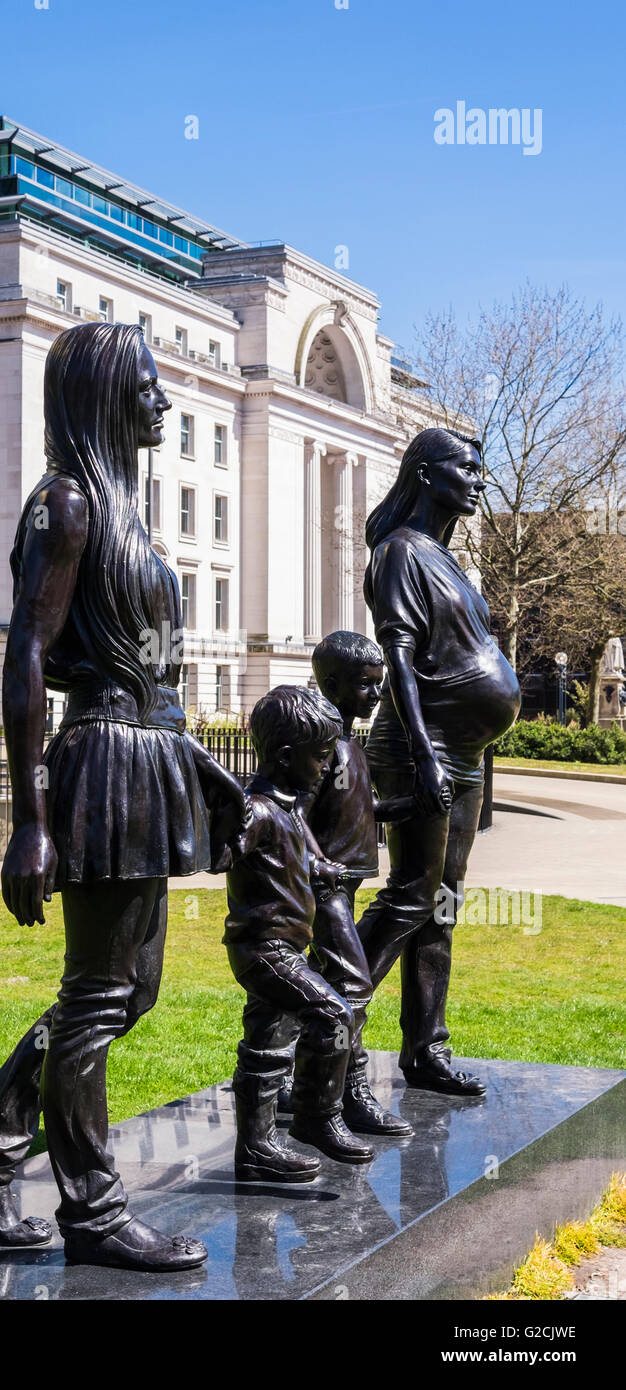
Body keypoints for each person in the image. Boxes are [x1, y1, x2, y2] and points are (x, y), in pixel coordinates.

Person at [0, 323, 246, 1272]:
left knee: (129, 991)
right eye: (147, 386)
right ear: (107, 392)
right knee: (102, 991)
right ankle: (94, 1208)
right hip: (105, 758)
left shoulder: (123, 508)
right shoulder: (66, 505)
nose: (162, 401)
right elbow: (27, 653)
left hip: (149, 753)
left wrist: (199, 770)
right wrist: (29, 821)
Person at [352, 428, 521, 1096]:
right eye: (469, 468)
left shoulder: (447, 560)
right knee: (410, 896)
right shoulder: (399, 554)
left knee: (441, 904)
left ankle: (426, 1048)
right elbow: (397, 662)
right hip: (421, 750)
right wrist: (425, 756)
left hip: (464, 755)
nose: (480, 479)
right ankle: (321, 1023)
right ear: (426, 474)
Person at [223, 684, 375, 1184]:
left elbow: (300, 855)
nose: (326, 765)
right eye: (320, 756)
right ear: (288, 757)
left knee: (266, 1042)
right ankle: (316, 1114)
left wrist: (320, 867)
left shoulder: (287, 805)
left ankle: (257, 1148)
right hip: (263, 949)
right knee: (334, 1012)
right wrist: (227, 825)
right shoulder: (259, 809)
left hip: (287, 944)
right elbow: (221, 855)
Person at [301, 630, 416, 1136]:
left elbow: (364, 813)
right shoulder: (321, 743)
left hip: (346, 885)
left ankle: (300, 1082)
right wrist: (316, 862)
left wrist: (414, 805)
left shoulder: (351, 741)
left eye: (380, 685)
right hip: (326, 889)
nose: (376, 695)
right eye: (367, 686)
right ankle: (347, 1095)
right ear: (332, 684)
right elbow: (292, 809)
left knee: (320, 982)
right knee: (352, 985)